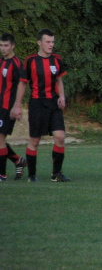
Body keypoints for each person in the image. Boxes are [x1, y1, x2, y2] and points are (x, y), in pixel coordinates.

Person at [10, 29, 70, 183]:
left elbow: (59, 80)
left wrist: (62, 96)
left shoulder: (57, 60)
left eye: (52, 42)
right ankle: (32, 175)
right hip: (37, 104)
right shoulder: (30, 61)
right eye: (48, 42)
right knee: (35, 141)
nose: (51, 45)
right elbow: (23, 83)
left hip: (53, 103)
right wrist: (17, 105)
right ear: (39, 43)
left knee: (60, 136)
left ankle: (56, 174)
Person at [0, 33, 27, 181]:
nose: (3, 49)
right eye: (1, 45)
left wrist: (17, 107)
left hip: (7, 107)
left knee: (0, 138)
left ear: (13, 46)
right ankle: (18, 160)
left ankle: (2, 174)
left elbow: (21, 86)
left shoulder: (16, 64)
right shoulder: (1, 62)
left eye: (6, 46)